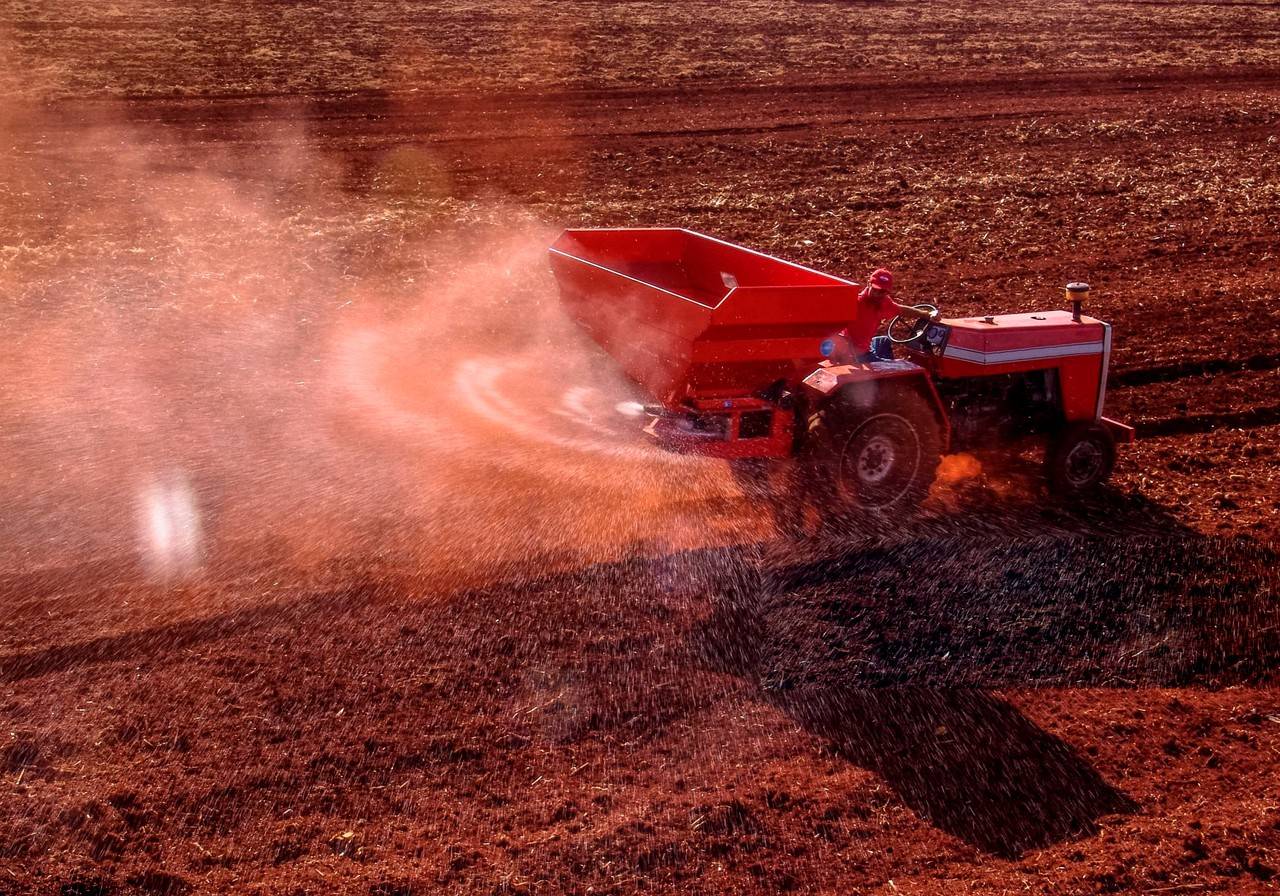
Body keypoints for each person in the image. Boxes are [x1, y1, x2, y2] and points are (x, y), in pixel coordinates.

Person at [837, 268, 937, 363]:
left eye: (882, 292)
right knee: (896, 367)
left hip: (865, 347)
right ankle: (885, 378)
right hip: (857, 356)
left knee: (884, 341)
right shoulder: (855, 303)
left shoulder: (883, 302)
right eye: (875, 289)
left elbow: (900, 310)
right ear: (869, 284)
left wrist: (925, 314)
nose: (877, 294)